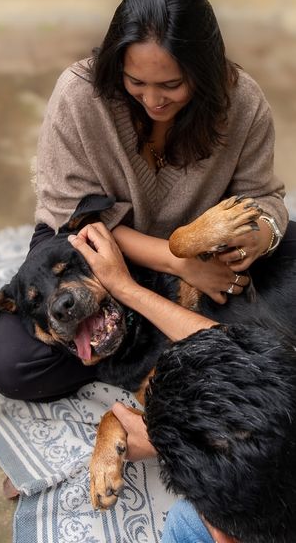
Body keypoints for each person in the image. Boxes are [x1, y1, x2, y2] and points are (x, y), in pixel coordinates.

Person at [0, 0, 295, 401]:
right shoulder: (80, 94)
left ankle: (183, 348)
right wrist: (180, 264)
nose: (153, 99)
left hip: (199, 239)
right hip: (85, 240)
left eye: (171, 84)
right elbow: (68, 212)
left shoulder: (242, 102)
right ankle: (176, 344)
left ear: (203, 72)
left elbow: (263, 197)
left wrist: (256, 237)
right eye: (135, 81)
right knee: (14, 368)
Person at [68, 221, 296, 543]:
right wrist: (124, 287)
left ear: (220, 536)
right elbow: (244, 354)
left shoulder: (188, 528)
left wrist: (163, 439)